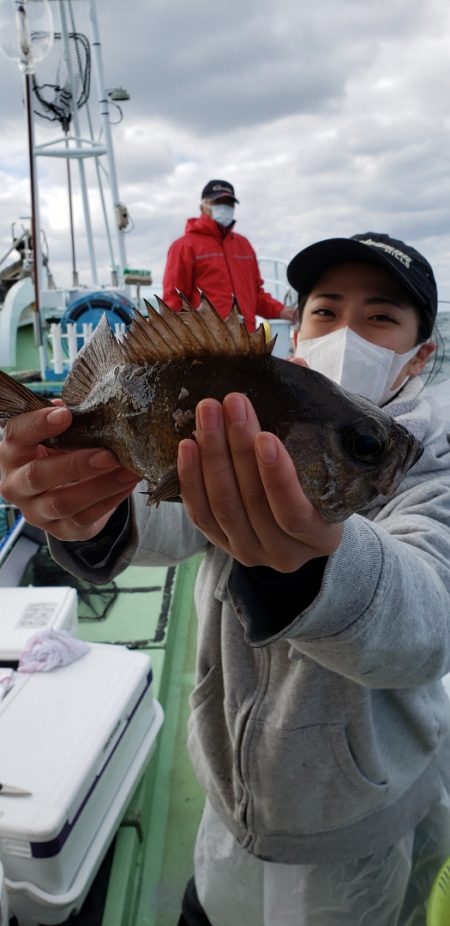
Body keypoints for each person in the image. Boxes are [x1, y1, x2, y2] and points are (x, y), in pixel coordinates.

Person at [0, 231, 450, 926]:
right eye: (326, 312)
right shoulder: (264, 406)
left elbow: (427, 625)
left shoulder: (430, 461)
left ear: (423, 353)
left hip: (361, 822)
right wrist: (85, 512)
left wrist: (316, 563)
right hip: (229, 803)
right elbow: (169, 514)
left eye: (381, 317)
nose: (347, 332)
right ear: (296, 333)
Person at [162, 179, 296, 332]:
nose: (224, 207)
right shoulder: (183, 246)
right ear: (202, 206)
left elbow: (256, 296)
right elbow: (173, 301)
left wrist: (281, 311)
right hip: (207, 345)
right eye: (218, 202)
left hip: (246, 341)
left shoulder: (244, 245)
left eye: (229, 203)